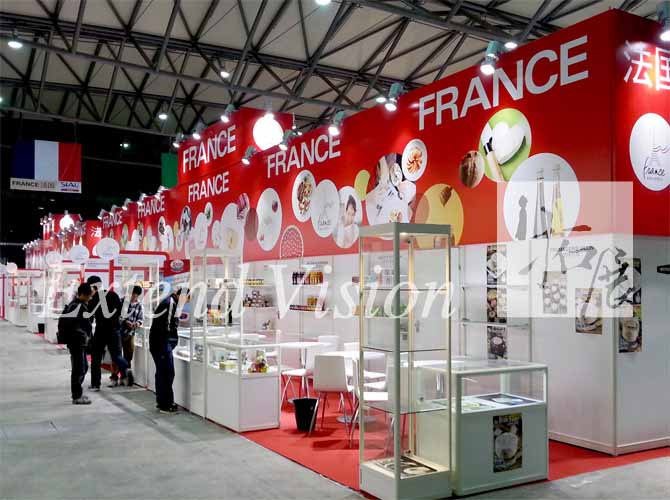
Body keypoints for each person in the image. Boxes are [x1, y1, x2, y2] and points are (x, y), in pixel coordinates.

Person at [86, 275, 130, 390]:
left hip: (100, 331)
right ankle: (125, 367)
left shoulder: (93, 299)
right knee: (116, 356)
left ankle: (95, 384)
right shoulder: (113, 295)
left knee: (96, 358)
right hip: (114, 330)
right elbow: (121, 313)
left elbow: (89, 317)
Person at [150, 286, 188, 414]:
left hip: (160, 343)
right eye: (186, 299)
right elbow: (166, 327)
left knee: (162, 373)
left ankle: (162, 401)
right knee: (167, 373)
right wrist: (169, 344)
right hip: (161, 344)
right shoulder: (170, 303)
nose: (186, 302)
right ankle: (166, 405)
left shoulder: (171, 302)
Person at [59, 283, 94, 404]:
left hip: (79, 342)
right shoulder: (76, 306)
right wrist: (83, 335)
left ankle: (78, 392)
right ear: (83, 294)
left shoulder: (78, 304)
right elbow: (75, 326)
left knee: (83, 367)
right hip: (76, 342)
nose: (90, 298)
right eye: (89, 295)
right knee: (78, 369)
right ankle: (76, 396)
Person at [111, 285, 144, 386]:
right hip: (118, 333)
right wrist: (125, 321)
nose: (133, 297)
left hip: (130, 334)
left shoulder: (139, 305)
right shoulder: (122, 302)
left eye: (136, 295)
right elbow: (116, 316)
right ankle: (114, 378)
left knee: (128, 356)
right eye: (132, 294)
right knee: (116, 356)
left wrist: (137, 324)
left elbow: (141, 319)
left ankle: (124, 377)